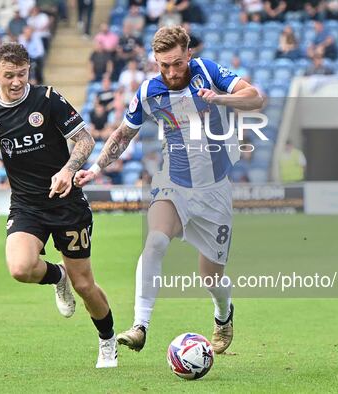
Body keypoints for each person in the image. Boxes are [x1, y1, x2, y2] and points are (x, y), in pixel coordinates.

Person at [75, 26, 263, 354]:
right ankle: (140, 325)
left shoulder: (207, 71)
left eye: (177, 63)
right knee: (156, 241)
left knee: (211, 277)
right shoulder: (149, 91)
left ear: (188, 54)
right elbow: (122, 135)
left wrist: (220, 98)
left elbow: (255, 96)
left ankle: (223, 314)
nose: (172, 72)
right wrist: (94, 168)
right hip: (172, 183)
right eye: (164, 65)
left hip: (215, 190)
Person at [0, 43, 117, 368]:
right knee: (20, 268)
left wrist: (68, 170)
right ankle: (57, 276)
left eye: (22, 74)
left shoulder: (47, 99)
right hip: (26, 205)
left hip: (66, 204)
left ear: (29, 70)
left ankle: (107, 339)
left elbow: (85, 139)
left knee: (85, 285)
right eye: (8, 75)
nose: (16, 82)